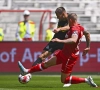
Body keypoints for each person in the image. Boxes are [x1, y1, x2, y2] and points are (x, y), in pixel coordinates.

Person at [18, 13, 98, 87]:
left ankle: (86, 80)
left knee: (64, 80)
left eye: (67, 21)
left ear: (70, 20)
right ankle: (26, 71)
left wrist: (60, 41)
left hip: (69, 57)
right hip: (64, 52)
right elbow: (87, 33)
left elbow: (73, 40)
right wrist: (88, 46)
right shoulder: (79, 27)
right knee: (46, 64)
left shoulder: (74, 30)